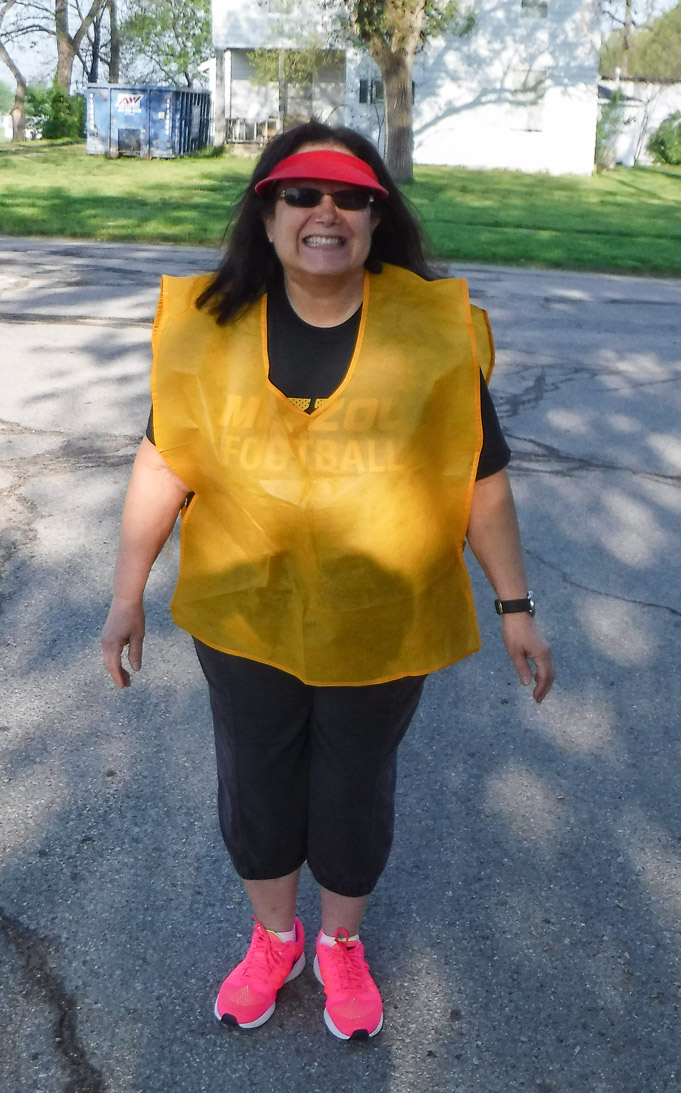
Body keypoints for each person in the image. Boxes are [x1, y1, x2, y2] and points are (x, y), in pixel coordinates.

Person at [102, 121, 554, 1042]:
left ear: (377, 219)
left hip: (382, 619)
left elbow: (480, 477)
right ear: (266, 214)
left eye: (351, 198)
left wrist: (516, 607)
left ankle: (339, 942)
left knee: (353, 789)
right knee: (258, 784)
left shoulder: (431, 333)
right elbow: (164, 461)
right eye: (301, 194)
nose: (326, 212)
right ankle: (274, 938)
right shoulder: (206, 328)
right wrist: (124, 596)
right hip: (243, 611)